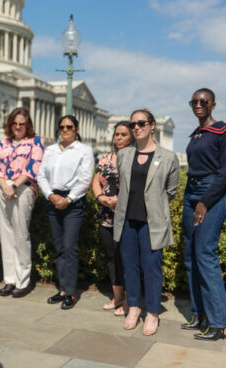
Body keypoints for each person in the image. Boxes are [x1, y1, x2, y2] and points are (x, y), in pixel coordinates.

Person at [114, 109, 180, 334]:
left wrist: (154, 204)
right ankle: (133, 307)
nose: (137, 128)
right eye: (133, 124)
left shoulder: (168, 157)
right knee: (130, 267)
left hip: (152, 222)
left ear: (152, 125)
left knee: (152, 268)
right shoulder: (124, 155)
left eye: (142, 123)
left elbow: (170, 190)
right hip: (127, 220)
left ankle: (152, 312)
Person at [180, 88, 226, 341]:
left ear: (213, 104)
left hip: (211, 194)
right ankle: (198, 313)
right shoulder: (197, 134)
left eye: (204, 101)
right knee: (191, 255)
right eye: (195, 101)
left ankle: (217, 323)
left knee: (205, 255)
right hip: (191, 193)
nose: (199, 105)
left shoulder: (224, 131)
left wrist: (205, 202)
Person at [37, 115, 94, 310]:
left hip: (73, 202)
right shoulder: (51, 150)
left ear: (77, 129)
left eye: (69, 127)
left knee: (70, 247)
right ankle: (62, 289)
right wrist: (50, 195)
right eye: (61, 127)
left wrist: (68, 199)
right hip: (53, 199)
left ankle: (70, 291)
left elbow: (85, 179)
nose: (65, 130)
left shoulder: (84, 151)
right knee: (59, 247)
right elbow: (41, 175)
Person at [0, 107, 44, 298]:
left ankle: (23, 281)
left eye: (22, 123)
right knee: (6, 236)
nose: (18, 127)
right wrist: (5, 186)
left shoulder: (35, 141)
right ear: (10, 124)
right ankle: (10, 279)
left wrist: (14, 186)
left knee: (21, 235)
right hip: (3, 189)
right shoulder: (3, 142)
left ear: (27, 125)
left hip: (23, 189)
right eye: (15, 123)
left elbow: (33, 167)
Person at [91, 121, 133, 316]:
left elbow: (136, 185)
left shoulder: (135, 157)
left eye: (124, 134)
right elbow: (96, 180)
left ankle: (129, 300)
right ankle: (117, 297)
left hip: (127, 215)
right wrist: (101, 197)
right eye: (117, 134)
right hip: (106, 214)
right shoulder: (106, 158)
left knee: (127, 258)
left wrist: (119, 200)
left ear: (131, 137)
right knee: (112, 257)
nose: (119, 138)